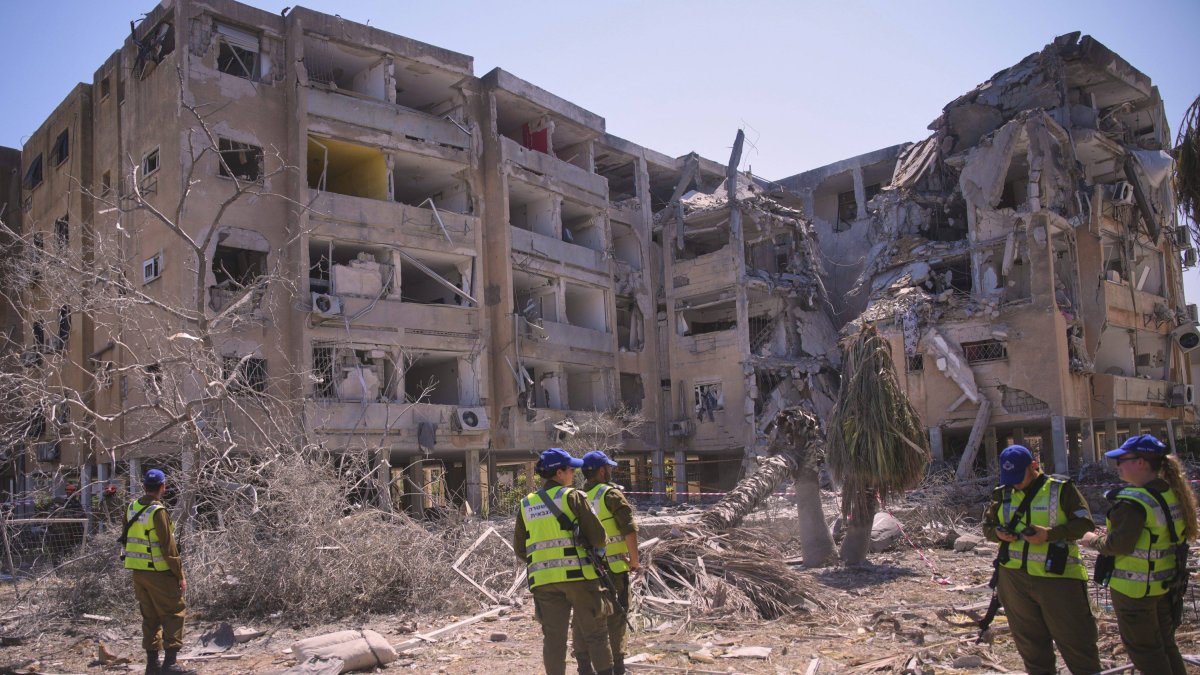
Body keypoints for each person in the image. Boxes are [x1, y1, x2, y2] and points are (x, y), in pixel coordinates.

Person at [1082, 434, 1198, 675]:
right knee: (1166, 645)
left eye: (1122, 460)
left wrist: (1093, 540)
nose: (1118, 466)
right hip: (1164, 587)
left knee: (1146, 651)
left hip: (1134, 592)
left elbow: (1119, 545)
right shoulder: (1168, 493)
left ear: (1141, 462)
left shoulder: (1134, 501)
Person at [981, 445, 1100, 675]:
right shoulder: (1002, 493)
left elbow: (1086, 525)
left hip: (1058, 579)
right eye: (1010, 478)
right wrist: (997, 534)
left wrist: (1049, 534)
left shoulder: (1061, 489)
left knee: (1077, 643)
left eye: (1019, 477)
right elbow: (987, 527)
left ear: (1034, 466)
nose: (1015, 483)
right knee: (1032, 649)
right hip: (1014, 581)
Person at [513, 448, 614, 675]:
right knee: (596, 634)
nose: (573, 474)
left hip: (544, 581)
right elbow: (599, 537)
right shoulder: (573, 497)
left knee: (553, 640)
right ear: (559, 473)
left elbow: (521, 549)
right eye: (570, 469)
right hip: (580, 578)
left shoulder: (526, 504)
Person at [571, 451, 640, 675]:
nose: (610, 470)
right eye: (608, 467)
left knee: (585, 619)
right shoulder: (611, 494)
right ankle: (617, 668)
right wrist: (634, 560)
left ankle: (584, 667)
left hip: (584, 570)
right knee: (616, 618)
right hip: (613, 569)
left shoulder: (576, 497)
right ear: (602, 470)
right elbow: (628, 529)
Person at [124, 469, 195, 675]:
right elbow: (168, 548)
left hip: (138, 572)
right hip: (159, 572)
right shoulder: (158, 512)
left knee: (150, 617)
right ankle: (170, 665)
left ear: (144, 486)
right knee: (174, 613)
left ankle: (152, 665)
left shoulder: (131, 508)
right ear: (163, 487)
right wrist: (180, 575)